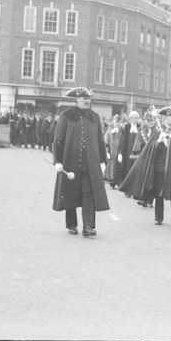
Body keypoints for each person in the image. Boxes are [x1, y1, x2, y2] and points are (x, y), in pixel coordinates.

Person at [52, 87, 110, 238]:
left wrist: (103, 161)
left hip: (89, 165)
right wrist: (57, 161)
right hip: (70, 162)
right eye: (84, 98)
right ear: (76, 100)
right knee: (70, 192)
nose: (87, 101)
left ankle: (88, 226)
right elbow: (58, 140)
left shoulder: (95, 117)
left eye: (89, 98)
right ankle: (72, 224)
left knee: (88, 193)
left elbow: (100, 141)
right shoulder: (66, 116)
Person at [120, 106, 171, 227]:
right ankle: (159, 217)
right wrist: (158, 141)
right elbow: (150, 148)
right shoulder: (158, 131)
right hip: (160, 168)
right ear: (166, 117)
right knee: (159, 194)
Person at [119, 111, 141, 198]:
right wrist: (120, 153)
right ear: (130, 119)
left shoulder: (140, 127)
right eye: (134, 118)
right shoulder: (126, 128)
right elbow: (122, 141)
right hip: (127, 152)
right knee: (128, 171)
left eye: (137, 118)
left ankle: (135, 191)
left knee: (136, 172)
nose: (135, 119)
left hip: (137, 153)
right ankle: (127, 191)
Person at [104, 114, 123, 188]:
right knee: (111, 167)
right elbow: (106, 141)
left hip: (119, 151)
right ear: (113, 121)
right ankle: (112, 181)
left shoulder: (122, 129)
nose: (117, 123)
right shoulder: (110, 130)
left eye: (118, 122)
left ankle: (118, 181)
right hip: (112, 151)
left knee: (119, 167)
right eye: (116, 121)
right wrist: (107, 151)